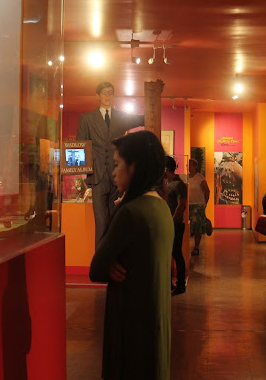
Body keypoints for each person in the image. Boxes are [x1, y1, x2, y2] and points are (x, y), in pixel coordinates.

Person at [89, 130, 173, 380]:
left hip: (130, 327)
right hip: (155, 325)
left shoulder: (130, 212)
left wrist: (107, 263)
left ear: (133, 167)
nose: (113, 172)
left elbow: (96, 269)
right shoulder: (161, 207)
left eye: (117, 164)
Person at [76, 82, 145, 247]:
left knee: (116, 221)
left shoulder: (121, 117)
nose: (108, 96)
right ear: (98, 96)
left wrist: (153, 104)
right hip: (97, 175)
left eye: (111, 92)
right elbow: (80, 146)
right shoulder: (87, 118)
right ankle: (100, 259)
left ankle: (115, 257)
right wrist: (84, 171)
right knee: (100, 222)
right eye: (105, 92)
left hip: (116, 174)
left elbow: (142, 119)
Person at [164, 156, 188, 295]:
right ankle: (169, 284)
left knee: (176, 254)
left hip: (176, 225)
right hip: (169, 224)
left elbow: (181, 205)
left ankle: (180, 284)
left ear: (165, 169)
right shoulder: (167, 184)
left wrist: (172, 222)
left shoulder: (179, 185)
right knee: (169, 254)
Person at [187, 158, 210, 256]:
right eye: (188, 165)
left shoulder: (199, 177)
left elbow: (207, 191)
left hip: (198, 205)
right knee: (189, 227)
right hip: (188, 205)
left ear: (195, 166)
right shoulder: (186, 177)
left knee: (197, 228)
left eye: (190, 165)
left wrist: (204, 204)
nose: (189, 167)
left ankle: (196, 247)